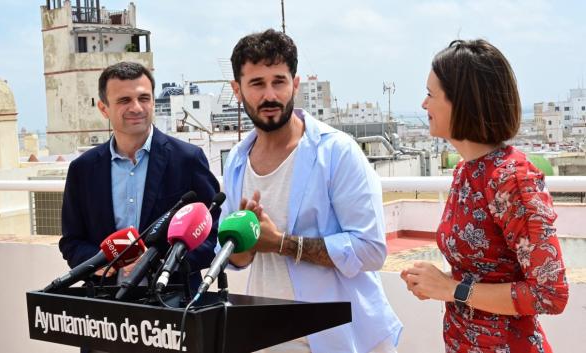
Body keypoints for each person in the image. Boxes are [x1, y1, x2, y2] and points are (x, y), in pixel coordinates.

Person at [220, 29, 402, 353]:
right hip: (266, 333)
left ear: (296, 84)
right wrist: (245, 243)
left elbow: (371, 249)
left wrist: (280, 243)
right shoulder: (236, 160)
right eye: (257, 84)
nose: (270, 95)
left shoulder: (336, 152)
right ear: (237, 90)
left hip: (339, 335)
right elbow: (236, 258)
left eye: (279, 81)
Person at [400, 39, 569, 352]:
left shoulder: (513, 179)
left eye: (430, 94)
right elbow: (486, 272)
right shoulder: (466, 172)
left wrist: (452, 289)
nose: (424, 105)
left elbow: (550, 293)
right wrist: (439, 284)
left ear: (460, 101)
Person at [59, 62, 219, 298]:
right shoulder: (83, 170)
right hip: (106, 302)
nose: (136, 107)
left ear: (153, 101)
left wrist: (160, 263)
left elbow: (210, 236)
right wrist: (100, 263)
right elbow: (72, 241)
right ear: (104, 108)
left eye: (144, 98)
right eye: (124, 100)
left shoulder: (187, 160)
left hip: (173, 301)